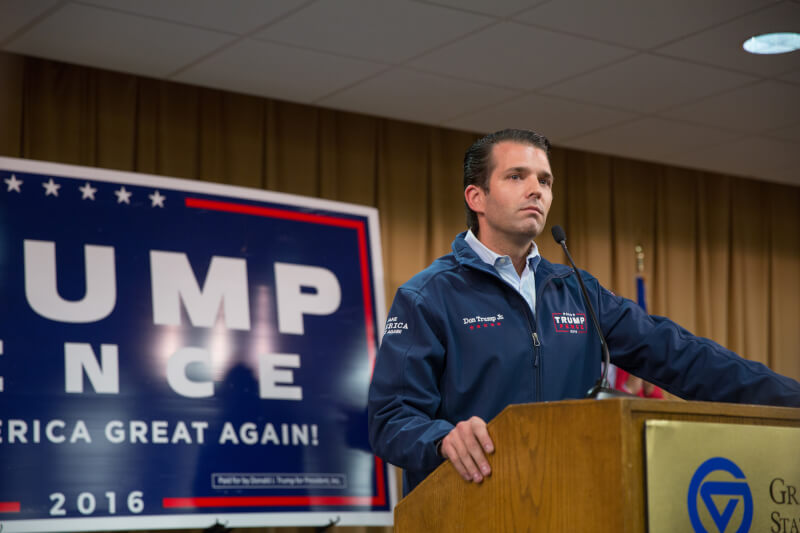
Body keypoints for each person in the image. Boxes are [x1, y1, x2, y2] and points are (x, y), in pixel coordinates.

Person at [367, 128, 800, 497]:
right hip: (470, 504)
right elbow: (391, 418)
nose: (536, 189)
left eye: (545, 180)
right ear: (476, 196)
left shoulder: (575, 290)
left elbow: (681, 355)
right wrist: (443, 438)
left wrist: (789, 399)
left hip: (570, 500)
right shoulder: (429, 295)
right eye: (517, 176)